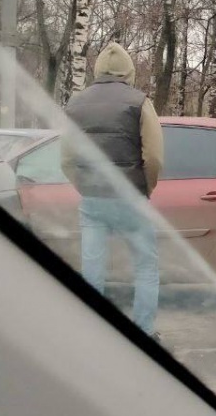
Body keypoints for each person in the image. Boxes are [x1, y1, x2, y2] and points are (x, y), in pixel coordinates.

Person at [61, 42, 164, 337]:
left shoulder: (76, 104)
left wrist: (83, 186)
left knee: (93, 269)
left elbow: (66, 158)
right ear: (128, 71)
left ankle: (93, 331)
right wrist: (146, 189)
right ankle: (143, 331)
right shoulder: (140, 102)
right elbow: (154, 157)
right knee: (145, 267)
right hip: (130, 196)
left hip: (93, 198)